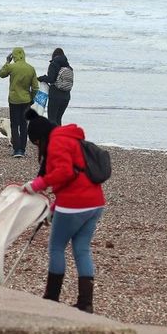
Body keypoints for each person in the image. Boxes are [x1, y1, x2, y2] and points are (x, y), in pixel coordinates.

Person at [23, 108, 106, 313]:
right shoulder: (70, 138)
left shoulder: (57, 141)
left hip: (74, 205)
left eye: (36, 143)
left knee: (56, 247)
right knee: (82, 249)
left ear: (40, 138)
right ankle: (85, 303)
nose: (37, 148)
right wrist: (53, 207)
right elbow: (74, 176)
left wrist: (37, 184)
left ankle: (52, 298)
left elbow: (64, 172)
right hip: (95, 203)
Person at [0, 46, 37, 157]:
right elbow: (35, 87)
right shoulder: (31, 68)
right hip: (26, 100)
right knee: (24, 124)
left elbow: (1, 74)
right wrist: (32, 98)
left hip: (14, 100)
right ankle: (22, 149)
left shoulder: (11, 67)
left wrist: (7, 62)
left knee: (14, 124)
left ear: (13, 56)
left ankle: (16, 150)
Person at [39, 47, 75, 124]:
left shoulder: (54, 64)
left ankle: (54, 136)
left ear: (54, 55)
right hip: (66, 97)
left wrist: (41, 78)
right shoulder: (68, 67)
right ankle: (59, 135)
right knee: (58, 119)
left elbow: (51, 79)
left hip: (55, 96)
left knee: (52, 120)